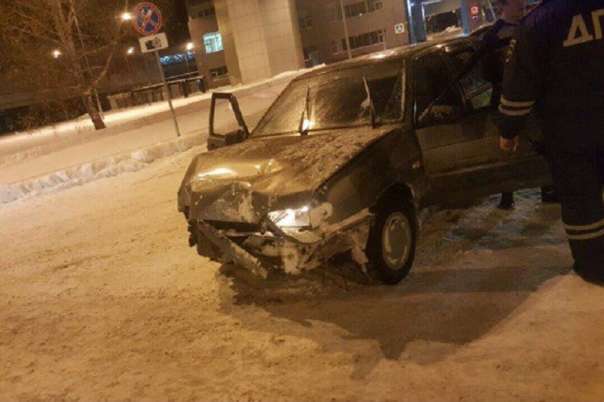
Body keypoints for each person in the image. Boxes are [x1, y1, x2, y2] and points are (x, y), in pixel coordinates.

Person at [498, 0, 604, 284]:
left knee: (582, 202)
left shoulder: (539, 24)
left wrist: (508, 131)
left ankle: (595, 268)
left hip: (572, 133)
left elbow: (519, 85)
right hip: (575, 131)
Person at [480, 0, 527, 210]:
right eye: (518, 2)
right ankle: (507, 195)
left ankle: (547, 188)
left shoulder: (529, 26)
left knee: (539, 142)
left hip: (531, 95)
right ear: (504, 5)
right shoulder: (493, 36)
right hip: (504, 97)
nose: (522, 5)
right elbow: (486, 72)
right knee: (506, 148)